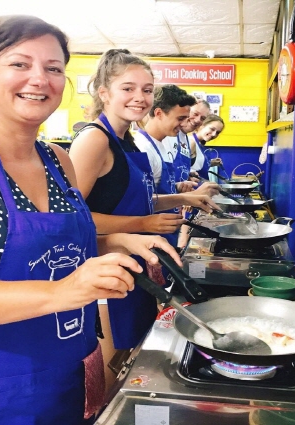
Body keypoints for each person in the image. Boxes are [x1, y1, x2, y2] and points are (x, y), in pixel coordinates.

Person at [0, 16, 180, 425]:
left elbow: (54, 248)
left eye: (53, 68)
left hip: (66, 371)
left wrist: (117, 243)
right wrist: (62, 292)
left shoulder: (57, 160)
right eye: (20, 64)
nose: (39, 79)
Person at [68, 49, 217, 353]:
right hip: (106, 268)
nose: (140, 97)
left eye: (147, 90)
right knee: (117, 366)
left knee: (135, 352)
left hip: (135, 265)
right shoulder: (94, 140)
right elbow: (72, 219)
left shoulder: (127, 141)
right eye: (128, 88)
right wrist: (144, 224)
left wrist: (184, 197)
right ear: (104, 93)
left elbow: (137, 199)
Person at [134, 84, 219, 247]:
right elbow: (140, 202)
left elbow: (154, 186)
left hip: (166, 232)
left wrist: (178, 186)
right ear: (158, 113)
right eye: (180, 118)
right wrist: (190, 197)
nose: (185, 123)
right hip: (149, 238)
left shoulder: (162, 145)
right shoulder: (142, 148)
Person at [164, 98, 211, 182]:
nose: (197, 120)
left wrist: (187, 174)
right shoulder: (168, 135)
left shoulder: (186, 139)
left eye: (202, 118)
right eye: (195, 114)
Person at [190, 114, 225, 180]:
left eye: (217, 132)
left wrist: (210, 162)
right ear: (202, 125)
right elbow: (181, 168)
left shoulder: (201, 144)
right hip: (194, 187)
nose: (214, 134)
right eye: (212, 129)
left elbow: (194, 164)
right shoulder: (191, 142)